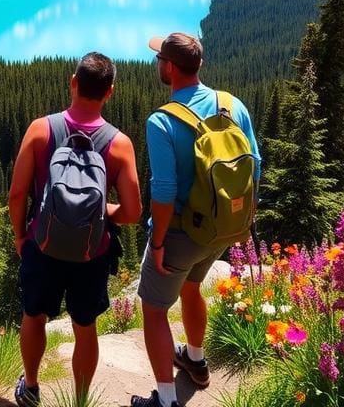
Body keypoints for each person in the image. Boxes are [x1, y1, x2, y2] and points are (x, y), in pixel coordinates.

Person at [132, 33, 261, 407]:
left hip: (180, 235)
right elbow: (256, 164)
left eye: (160, 58)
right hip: (223, 229)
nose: (157, 63)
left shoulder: (162, 121)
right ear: (199, 65)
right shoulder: (231, 104)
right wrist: (242, 218)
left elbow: (164, 192)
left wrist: (157, 242)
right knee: (191, 287)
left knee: (154, 309)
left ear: (170, 68)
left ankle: (167, 399)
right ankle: (195, 360)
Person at [8, 52, 142, 406]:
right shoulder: (119, 143)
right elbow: (131, 212)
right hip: (91, 252)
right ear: (109, 92)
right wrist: (102, 210)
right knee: (85, 328)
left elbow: (17, 193)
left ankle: (32, 388)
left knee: (33, 316)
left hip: (43, 245)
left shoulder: (41, 129)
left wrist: (22, 236)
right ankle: (80, 399)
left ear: (73, 82)